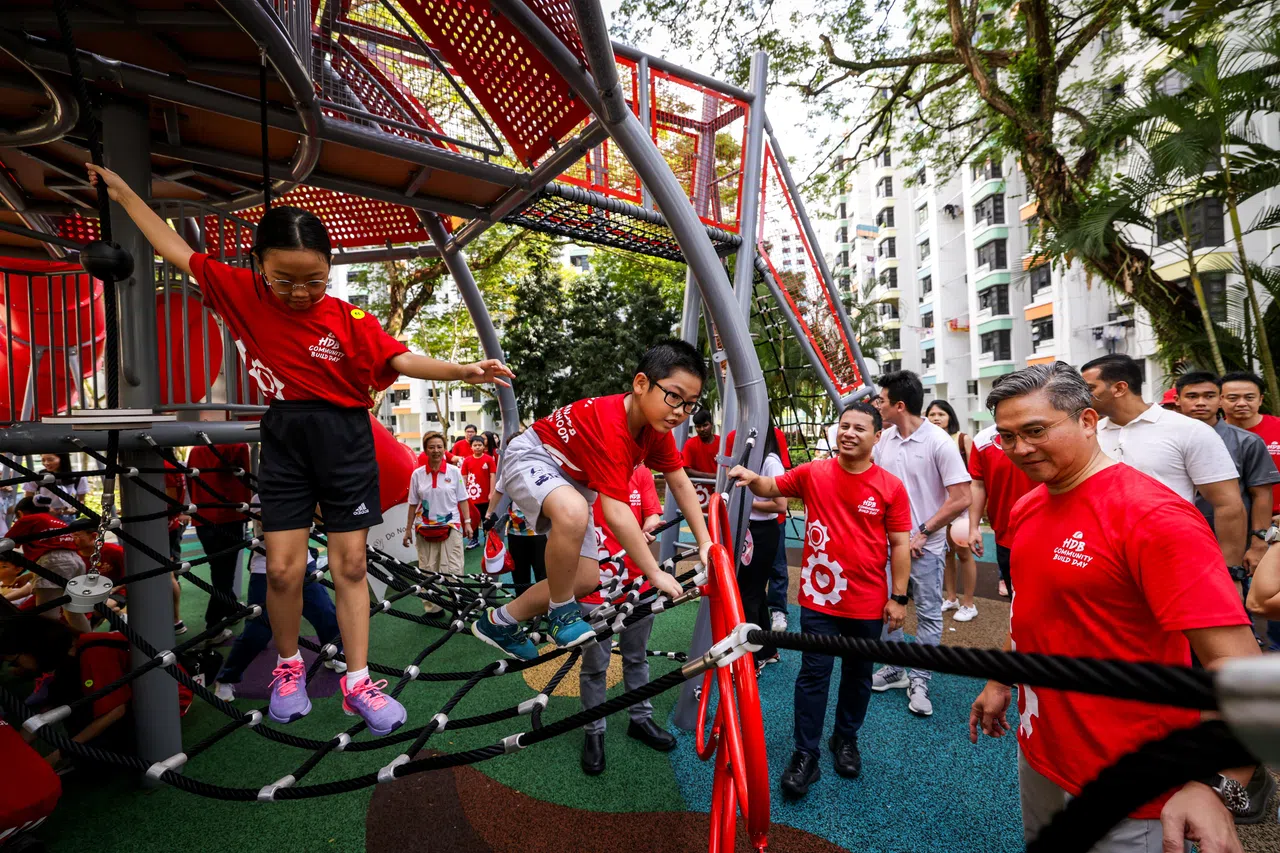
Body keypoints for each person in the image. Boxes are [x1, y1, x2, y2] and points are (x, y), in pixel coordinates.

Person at [88, 162, 513, 736]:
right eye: (284, 279)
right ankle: (289, 668)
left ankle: (357, 682)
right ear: (258, 266)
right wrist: (124, 193)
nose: (299, 292)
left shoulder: (347, 317)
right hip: (285, 437)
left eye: (313, 279)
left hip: (346, 438)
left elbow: (398, 359)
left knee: (351, 564)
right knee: (284, 572)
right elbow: (170, 246)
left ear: (329, 271)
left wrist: (463, 367)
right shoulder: (240, 291)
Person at [969, 362, 1265, 849]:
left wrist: (1218, 784)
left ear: (1088, 422)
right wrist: (1003, 678)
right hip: (1042, 743)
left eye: (1036, 431)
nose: (1020, 449)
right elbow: (1030, 612)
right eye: (1007, 437)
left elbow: (1242, 671)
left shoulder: (1154, 516)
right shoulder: (1029, 505)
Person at [471, 340, 714, 660]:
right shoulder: (612, 424)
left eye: (690, 404)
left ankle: (499, 621)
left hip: (572, 484)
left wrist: (706, 542)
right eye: (674, 396)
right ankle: (560, 614)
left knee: (584, 579)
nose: (680, 411)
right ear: (641, 384)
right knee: (572, 512)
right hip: (534, 456)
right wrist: (654, 573)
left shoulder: (655, 431)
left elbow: (680, 483)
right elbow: (615, 511)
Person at [729, 402, 911, 799]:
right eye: (843, 426)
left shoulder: (890, 487)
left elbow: (899, 544)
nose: (848, 433)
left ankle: (845, 739)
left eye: (859, 428)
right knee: (814, 674)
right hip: (818, 597)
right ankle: (804, 754)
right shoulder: (815, 472)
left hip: (866, 601)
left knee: (858, 675)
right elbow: (772, 487)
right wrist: (750, 476)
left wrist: (899, 597)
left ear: (876, 437)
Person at [1082, 354, 1247, 577]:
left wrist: (1231, 572)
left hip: (1173, 556)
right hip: (1103, 559)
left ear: (1119, 388)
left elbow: (1228, 505)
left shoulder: (1189, 431)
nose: (1082, 395)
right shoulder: (1089, 434)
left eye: (1090, 387)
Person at [869, 371, 971, 716]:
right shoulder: (885, 440)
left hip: (925, 547)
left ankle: (920, 678)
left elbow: (961, 497)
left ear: (899, 405)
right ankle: (896, 667)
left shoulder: (938, 442)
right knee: (884, 607)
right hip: (888, 544)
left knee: (928, 613)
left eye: (881, 400)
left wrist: (923, 531)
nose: (876, 405)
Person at [578, 463, 677, 775]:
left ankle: (640, 718)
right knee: (595, 665)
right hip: (595, 588)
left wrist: (648, 525)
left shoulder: (641, 472)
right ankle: (593, 732)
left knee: (637, 656)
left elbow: (652, 513)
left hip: (638, 582)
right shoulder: (583, 468)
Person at [214, 494, 344, 701]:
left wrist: (315, 501)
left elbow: (322, 520)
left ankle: (335, 654)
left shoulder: (306, 489)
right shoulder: (262, 494)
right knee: (258, 631)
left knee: (325, 612)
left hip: (303, 564)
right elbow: (272, 525)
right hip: (267, 569)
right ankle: (226, 677)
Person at [1, 608, 138, 770]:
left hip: (149, 709)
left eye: (15, 662)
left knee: (95, 757)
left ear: (33, 649)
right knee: (64, 695)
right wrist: (14, 747)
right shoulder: (71, 654)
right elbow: (50, 708)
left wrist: (58, 755)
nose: (13, 669)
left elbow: (115, 711)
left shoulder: (92, 654)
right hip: (128, 702)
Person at [1176, 372, 1278, 577]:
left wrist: (1259, 542)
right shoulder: (1163, 439)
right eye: (1192, 396)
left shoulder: (1247, 441)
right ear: (1178, 400)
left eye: (1209, 396)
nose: (1200, 403)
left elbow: (1262, 494)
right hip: (1178, 540)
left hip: (1235, 545)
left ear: (1219, 399)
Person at [966, 377, 1036, 597]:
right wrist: (973, 527)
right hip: (1004, 532)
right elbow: (978, 485)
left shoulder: (1042, 433)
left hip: (1046, 528)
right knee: (1015, 597)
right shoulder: (983, 440)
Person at [732, 426, 787, 670]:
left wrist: (747, 502)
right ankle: (767, 649)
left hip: (763, 533)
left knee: (749, 595)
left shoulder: (771, 461)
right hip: (751, 530)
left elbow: (780, 505)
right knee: (754, 592)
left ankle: (750, 660)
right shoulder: (752, 461)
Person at [187, 442, 253, 634]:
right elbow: (245, 478)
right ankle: (213, 624)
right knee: (224, 573)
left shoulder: (196, 449)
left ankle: (230, 606)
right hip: (229, 516)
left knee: (218, 568)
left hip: (204, 516)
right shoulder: (238, 445)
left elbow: (191, 480)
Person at [403, 433, 472, 615]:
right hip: (424, 528)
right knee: (427, 570)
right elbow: (412, 503)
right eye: (431, 447)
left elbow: (463, 499)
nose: (436, 451)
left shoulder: (454, 472)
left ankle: (458, 606)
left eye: (439, 447)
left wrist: (468, 523)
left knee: (454, 568)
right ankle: (433, 608)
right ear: (425, 450)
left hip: (451, 526)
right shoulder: (417, 475)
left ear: (445, 449)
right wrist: (407, 529)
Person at [926, 399, 978, 622]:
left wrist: (974, 511)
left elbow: (976, 477)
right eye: (931, 414)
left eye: (941, 414)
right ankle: (951, 598)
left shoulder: (962, 440)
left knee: (963, 553)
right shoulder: (927, 441)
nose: (936, 418)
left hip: (961, 507)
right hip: (938, 505)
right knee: (946, 553)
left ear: (950, 417)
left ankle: (969, 603)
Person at [6, 497, 90, 632]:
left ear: (20, 513)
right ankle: (89, 645)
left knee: (47, 615)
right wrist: (30, 575)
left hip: (53, 562)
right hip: (76, 562)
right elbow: (58, 552)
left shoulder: (28, 519)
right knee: (73, 612)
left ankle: (48, 651)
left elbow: (6, 544)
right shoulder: (57, 521)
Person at [1221, 371, 1280, 523]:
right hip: (1230, 522)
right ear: (1220, 400)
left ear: (1260, 400)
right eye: (1233, 398)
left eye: (1249, 397)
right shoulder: (1207, 434)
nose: (1241, 403)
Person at [22, 453, 87, 523]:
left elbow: (81, 500)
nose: (46, 463)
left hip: (68, 517)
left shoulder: (78, 477)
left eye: (50, 460)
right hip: (44, 515)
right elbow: (28, 499)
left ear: (62, 459)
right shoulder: (37, 476)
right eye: (43, 460)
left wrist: (73, 509)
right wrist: (45, 510)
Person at [461, 435, 496, 548]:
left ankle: (489, 538)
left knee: (486, 517)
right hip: (471, 496)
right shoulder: (467, 460)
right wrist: (463, 493)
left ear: (483, 446)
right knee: (473, 518)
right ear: (471, 447)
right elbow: (464, 478)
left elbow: (492, 476)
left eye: (479, 445)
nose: (477, 447)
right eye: (475, 445)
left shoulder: (489, 459)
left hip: (485, 496)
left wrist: (491, 492)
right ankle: (474, 539)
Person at [681, 409, 720, 480]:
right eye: (698, 426)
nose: (702, 429)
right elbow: (686, 469)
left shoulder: (722, 443)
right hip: (699, 488)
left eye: (705, 425)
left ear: (711, 424)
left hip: (719, 487)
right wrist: (711, 476)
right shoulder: (690, 444)